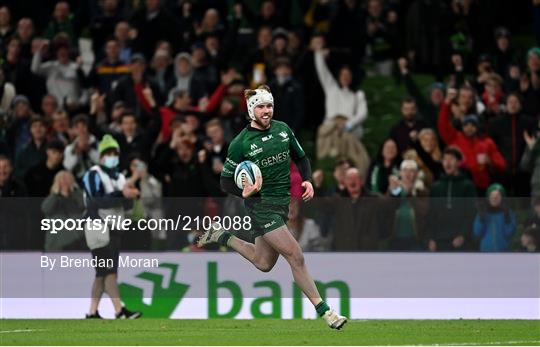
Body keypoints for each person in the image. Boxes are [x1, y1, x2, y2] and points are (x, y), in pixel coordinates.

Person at [197, 85, 347, 329]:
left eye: (269, 106)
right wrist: (244, 191)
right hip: (260, 207)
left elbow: (301, 158)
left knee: (264, 263)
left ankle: (221, 235)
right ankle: (326, 311)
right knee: (295, 255)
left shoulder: (283, 129)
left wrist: (307, 180)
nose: (266, 110)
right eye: (261, 106)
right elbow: (225, 180)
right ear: (250, 109)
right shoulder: (241, 142)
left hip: (281, 205)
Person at [81, 134, 142, 319]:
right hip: (98, 226)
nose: (112, 156)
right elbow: (95, 201)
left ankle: (92, 312)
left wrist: (131, 195)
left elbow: (128, 206)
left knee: (102, 273)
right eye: (108, 152)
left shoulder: (120, 176)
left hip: (115, 227)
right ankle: (119, 310)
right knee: (109, 271)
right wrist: (121, 194)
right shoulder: (93, 174)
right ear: (101, 155)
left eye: (115, 152)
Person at [428, 147, 477, 251]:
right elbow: (431, 214)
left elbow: (471, 213)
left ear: (459, 163)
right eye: (445, 159)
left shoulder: (467, 186)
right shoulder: (436, 187)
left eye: (451, 159)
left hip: (461, 240)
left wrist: (463, 235)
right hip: (439, 239)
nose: (447, 162)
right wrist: (431, 237)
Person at [473, 183, 516, 252]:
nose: (495, 198)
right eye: (492, 195)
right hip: (486, 251)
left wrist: (507, 217)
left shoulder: (508, 212)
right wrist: (481, 218)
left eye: (498, 195)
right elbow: (477, 233)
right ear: (488, 197)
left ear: (502, 198)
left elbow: (509, 233)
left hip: (504, 251)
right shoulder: (483, 211)